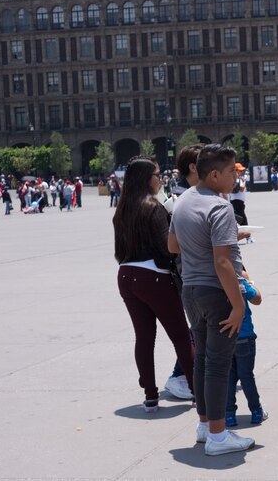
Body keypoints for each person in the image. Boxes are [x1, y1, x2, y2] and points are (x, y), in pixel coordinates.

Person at [169, 144, 256, 456]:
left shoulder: (182, 202)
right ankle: (219, 436)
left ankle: (206, 425)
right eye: (232, 171)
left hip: (191, 290)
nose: (236, 177)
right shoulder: (220, 207)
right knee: (219, 365)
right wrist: (238, 304)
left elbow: (173, 245)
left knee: (203, 360)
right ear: (215, 174)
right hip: (215, 291)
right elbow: (222, 262)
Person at [112, 156, 195, 414]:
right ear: (147, 178)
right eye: (157, 174)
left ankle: (150, 396)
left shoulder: (122, 208)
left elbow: (118, 250)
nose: (160, 178)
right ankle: (198, 390)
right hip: (153, 276)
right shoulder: (153, 206)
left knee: (144, 338)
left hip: (126, 274)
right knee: (181, 336)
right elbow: (167, 248)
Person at [162, 144, 206, 401]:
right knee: (198, 326)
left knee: (202, 326)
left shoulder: (191, 193)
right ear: (193, 166)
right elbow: (175, 241)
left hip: (192, 269)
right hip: (190, 270)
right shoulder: (181, 197)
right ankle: (180, 375)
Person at [225, 272, 267, 427]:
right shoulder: (238, 279)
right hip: (244, 336)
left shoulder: (213, 280)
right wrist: (248, 281)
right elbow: (257, 298)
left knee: (229, 377)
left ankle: (229, 414)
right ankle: (256, 411)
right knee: (246, 375)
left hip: (225, 337)